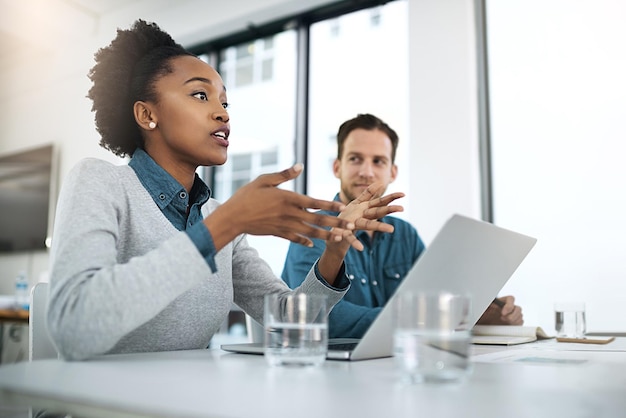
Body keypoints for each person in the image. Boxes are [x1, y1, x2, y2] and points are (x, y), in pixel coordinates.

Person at [46, 21, 405, 361]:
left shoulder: (217, 217)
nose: (222, 113)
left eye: (225, 102)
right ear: (146, 114)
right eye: (200, 95)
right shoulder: (100, 182)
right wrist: (225, 225)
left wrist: (335, 250)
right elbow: (73, 326)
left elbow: (290, 319)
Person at [281, 113, 524, 339]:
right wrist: (437, 319)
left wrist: (481, 314)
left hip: (396, 367)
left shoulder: (405, 235)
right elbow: (322, 318)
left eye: (378, 161)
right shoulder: (311, 229)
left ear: (392, 172)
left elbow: (438, 297)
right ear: (337, 167)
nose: (366, 172)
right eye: (355, 159)